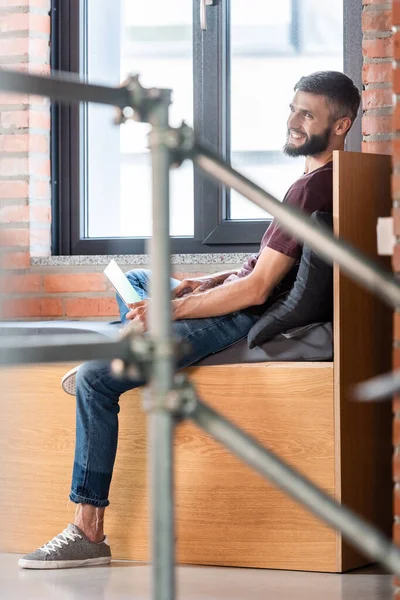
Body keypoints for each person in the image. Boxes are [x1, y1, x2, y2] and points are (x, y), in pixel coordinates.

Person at [19, 70, 360, 569]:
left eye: (308, 113)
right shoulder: (334, 179)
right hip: (233, 296)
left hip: (239, 318)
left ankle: (87, 530)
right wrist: (204, 280)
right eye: (292, 107)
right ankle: (130, 336)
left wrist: (173, 309)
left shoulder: (312, 191)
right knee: (139, 284)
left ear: (341, 124)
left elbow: (260, 288)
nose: (292, 120)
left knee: (96, 380)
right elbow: (265, 262)